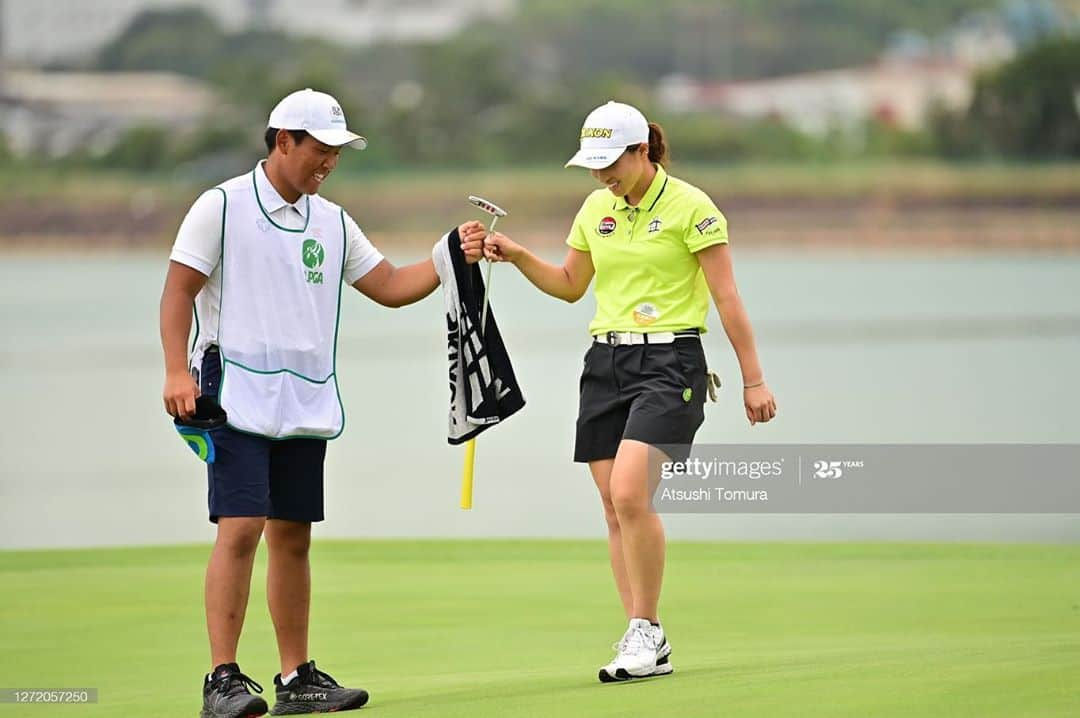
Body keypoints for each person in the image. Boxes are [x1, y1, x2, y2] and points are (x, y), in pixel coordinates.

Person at [159, 88, 486, 717]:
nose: (329, 162)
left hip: (302, 403)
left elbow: (389, 286)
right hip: (233, 395)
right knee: (241, 528)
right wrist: (176, 369)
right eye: (321, 149)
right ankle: (221, 680)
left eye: (337, 152)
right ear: (284, 140)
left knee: (294, 537)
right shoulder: (221, 206)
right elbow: (178, 293)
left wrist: (448, 255)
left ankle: (296, 678)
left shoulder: (331, 220)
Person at [482, 101, 777, 683]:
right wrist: (516, 256)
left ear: (642, 150)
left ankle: (645, 628)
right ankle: (643, 636)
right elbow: (570, 286)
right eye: (593, 166)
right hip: (605, 364)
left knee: (630, 493)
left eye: (610, 162)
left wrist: (754, 378)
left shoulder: (694, 207)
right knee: (614, 506)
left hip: (672, 364)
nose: (601, 176)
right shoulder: (597, 207)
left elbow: (727, 298)